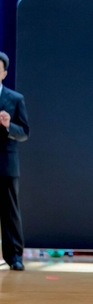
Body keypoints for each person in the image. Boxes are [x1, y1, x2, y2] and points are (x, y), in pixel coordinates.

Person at [0, 51, 29, 271]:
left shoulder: (15, 99)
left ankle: (15, 257)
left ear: (4, 73)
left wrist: (8, 125)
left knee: (10, 211)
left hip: (6, 163)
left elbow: (24, 132)